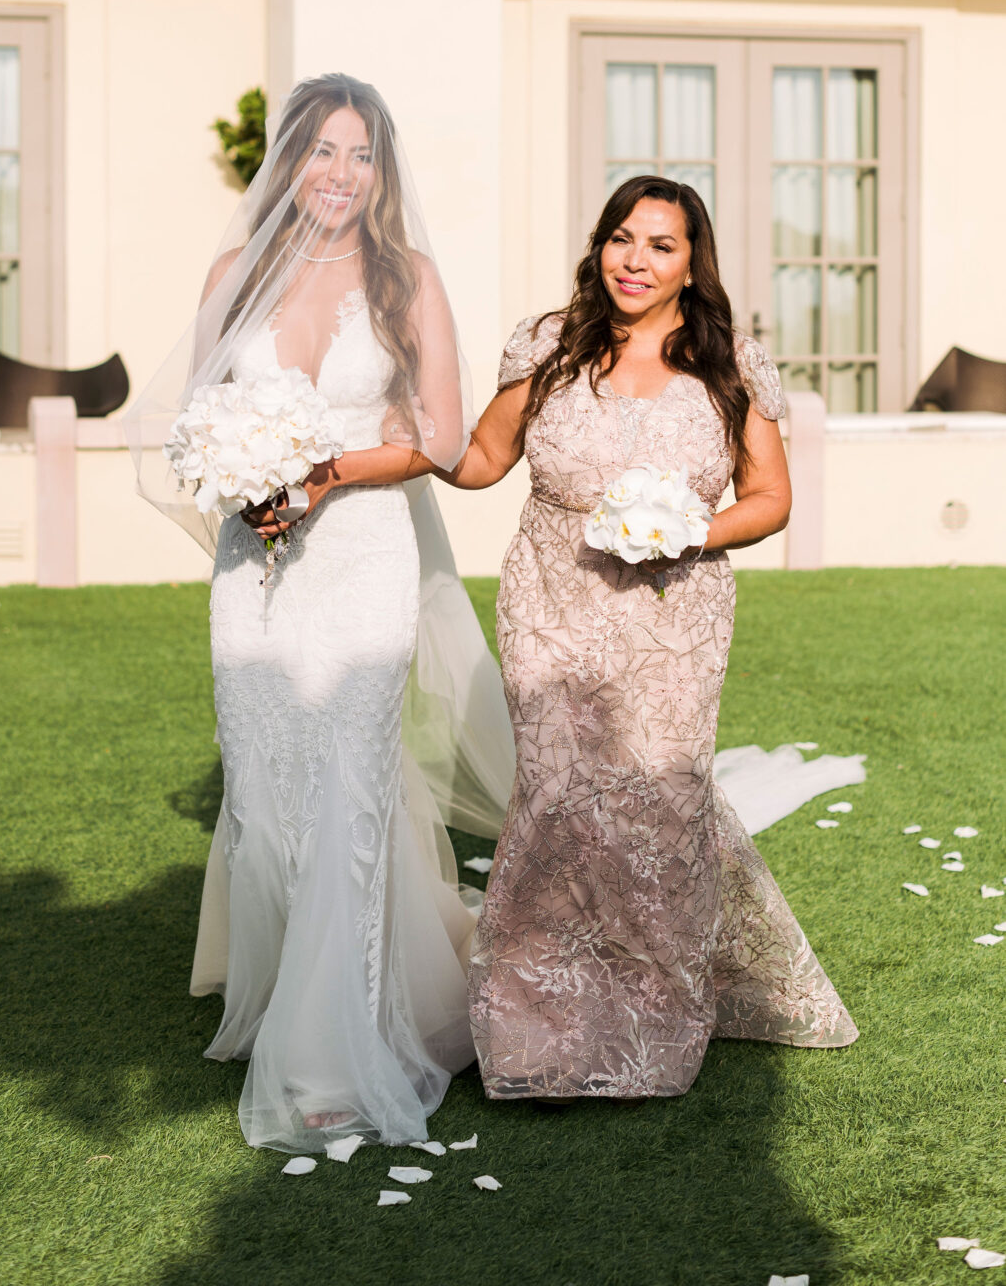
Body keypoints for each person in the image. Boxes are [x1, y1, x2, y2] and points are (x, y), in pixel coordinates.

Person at [126, 74, 515, 1151]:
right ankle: (285, 999)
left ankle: (338, 1046)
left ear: (380, 173)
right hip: (254, 566)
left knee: (349, 785)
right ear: (287, 161)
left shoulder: (409, 278)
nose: (340, 174)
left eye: (361, 155)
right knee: (265, 784)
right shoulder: (232, 273)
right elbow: (191, 415)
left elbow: (439, 435)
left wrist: (324, 471)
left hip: (362, 556)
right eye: (322, 151)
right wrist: (237, 471)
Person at [442, 173, 858, 1099]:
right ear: (599, 246)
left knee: (660, 802)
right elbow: (479, 460)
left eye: (661, 245)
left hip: (677, 615)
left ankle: (655, 1019)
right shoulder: (548, 345)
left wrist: (684, 531)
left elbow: (770, 501)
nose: (636, 260)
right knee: (556, 794)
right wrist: (385, 445)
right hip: (551, 598)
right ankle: (534, 1022)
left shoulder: (731, 364)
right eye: (622, 239)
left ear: (690, 262)